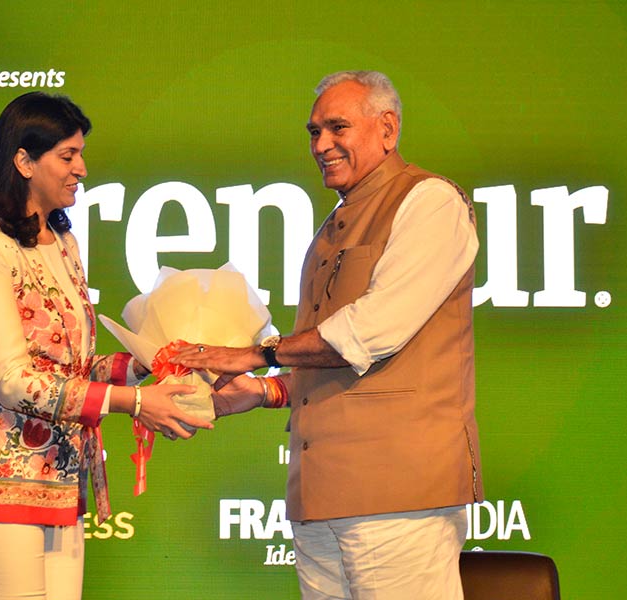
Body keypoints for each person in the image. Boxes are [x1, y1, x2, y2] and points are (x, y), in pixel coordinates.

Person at [174, 71, 483, 599]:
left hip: (396, 493)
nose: (321, 145)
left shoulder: (429, 201)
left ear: (387, 129)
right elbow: (333, 360)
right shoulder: (331, 227)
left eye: (338, 127)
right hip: (319, 495)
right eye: (314, 132)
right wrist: (265, 391)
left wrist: (254, 355)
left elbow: (375, 329)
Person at [0, 91, 211, 600]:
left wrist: (148, 363)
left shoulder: (62, 241)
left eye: (80, 154)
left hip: (61, 468)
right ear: (24, 161)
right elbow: (12, 378)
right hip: (0, 464)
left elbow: (71, 366)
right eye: (68, 156)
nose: (81, 169)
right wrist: (134, 402)